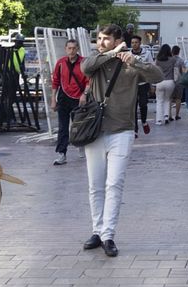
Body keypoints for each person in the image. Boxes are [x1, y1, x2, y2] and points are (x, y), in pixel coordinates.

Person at [81, 23, 162, 257]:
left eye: (106, 39)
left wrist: (132, 59)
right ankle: (96, 231)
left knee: (114, 184)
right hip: (94, 131)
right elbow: (86, 67)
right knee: (95, 185)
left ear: (118, 40)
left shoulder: (130, 62)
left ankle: (108, 235)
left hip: (122, 130)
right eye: (99, 38)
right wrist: (110, 53)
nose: (101, 42)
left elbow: (156, 75)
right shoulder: (97, 59)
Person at [50, 38, 88, 165]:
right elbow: (55, 81)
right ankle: (62, 154)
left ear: (77, 49)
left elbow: (89, 81)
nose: (71, 51)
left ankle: (80, 144)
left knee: (78, 126)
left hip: (79, 98)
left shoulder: (83, 62)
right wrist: (53, 100)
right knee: (63, 127)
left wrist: (84, 95)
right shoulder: (60, 63)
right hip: (63, 97)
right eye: (69, 48)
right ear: (66, 49)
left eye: (74, 48)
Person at [128, 35, 153, 136]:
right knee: (133, 105)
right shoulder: (128, 54)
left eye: (136, 42)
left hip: (144, 82)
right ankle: (135, 129)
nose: (134, 44)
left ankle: (144, 121)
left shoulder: (146, 54)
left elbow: (151, 68)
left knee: (143, 103)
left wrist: (152, 84)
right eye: (132, 42)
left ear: (140, 43)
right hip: (132, 83)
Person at [153, 44, 181, 124]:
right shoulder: (172, 60)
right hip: (170, 82)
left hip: (160, 82)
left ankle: (158, 120)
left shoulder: (158, 60)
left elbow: (155, 71)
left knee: (159, 101)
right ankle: (166, 116)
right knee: (167, 100)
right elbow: (176, 70)